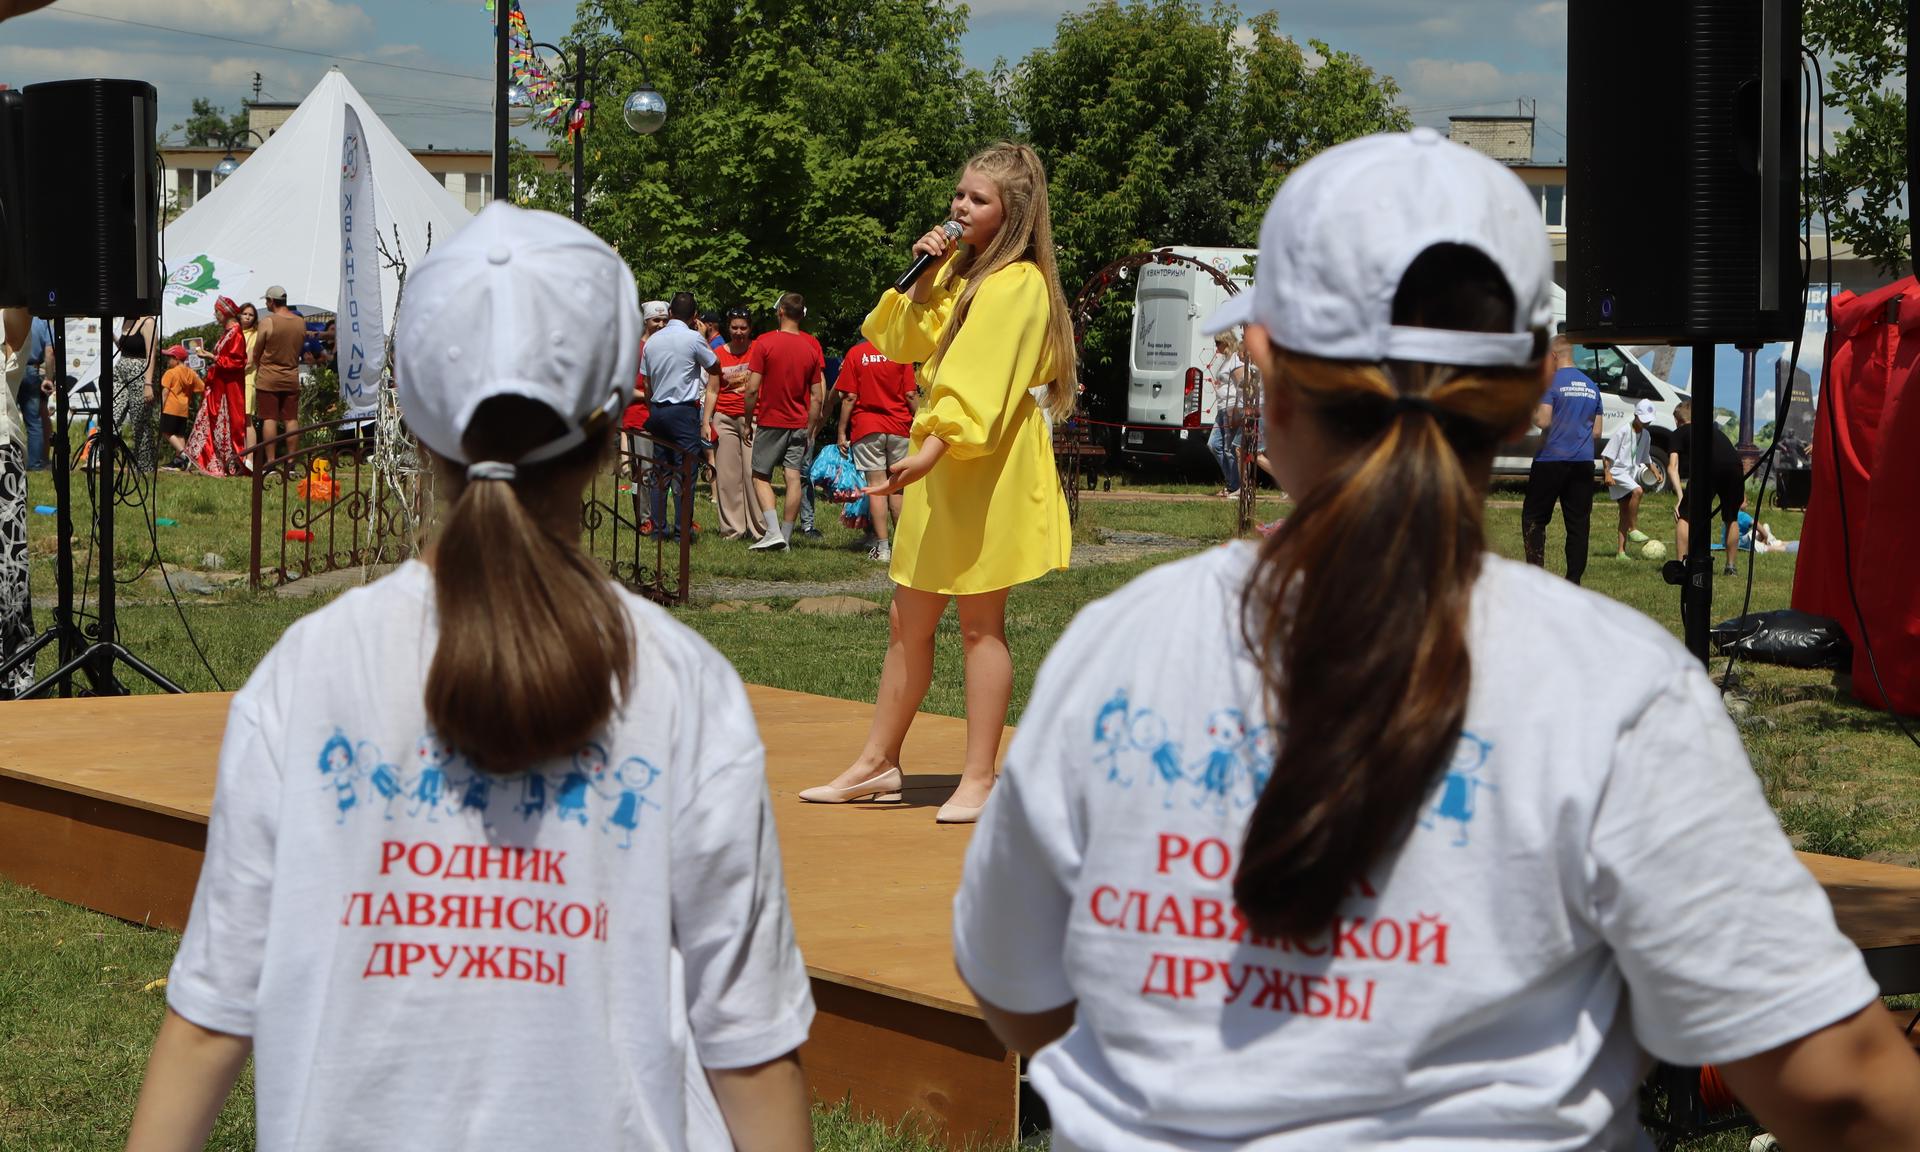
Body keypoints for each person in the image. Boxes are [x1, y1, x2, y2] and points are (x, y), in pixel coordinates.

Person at [949, 129, 1920, 1151]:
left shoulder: (1121, 644)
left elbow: (1017, 991)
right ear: (1533, 391)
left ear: (1266, 365)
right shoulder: (1613, 688)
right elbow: (1843, 1092)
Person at [123, 203, 815, 1152]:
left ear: (412, 422)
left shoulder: (310, 670)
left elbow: (210, 1017)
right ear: (609, 433)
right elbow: (752, 1050)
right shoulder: (684, 684)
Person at [799, 141, 1074, 823]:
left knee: (980, 624)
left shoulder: (1019, 283)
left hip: (985, 462)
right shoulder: (957, 272)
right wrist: (924, 274)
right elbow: (900, 339)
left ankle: (979, 776)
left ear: (1013, 212)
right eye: (959, 194)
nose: (960, 206)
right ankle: (878, 763)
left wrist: (930, 449)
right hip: (940, 458)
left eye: (978, 199)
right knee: (907, 618)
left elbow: (980, 380)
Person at [743, 294, 825, 551]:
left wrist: (747, 421)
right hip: (799, 422)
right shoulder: (811, 348)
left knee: (760, 475)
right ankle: (786, 538)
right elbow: (817, 396)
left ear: (780, 311)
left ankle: (773, 532)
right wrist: (810, 428)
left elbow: (752, 389)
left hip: (771, 420)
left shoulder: (764, 342)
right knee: (793, 477)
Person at [1520, 334, 1604, 584]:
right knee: (1578, 524)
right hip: (1583, 462)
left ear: (1553, 355)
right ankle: (1574, 580)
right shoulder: (1592, 386)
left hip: (1550, 460)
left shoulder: (1551, 383)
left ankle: (1535, 574)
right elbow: (1597, 432)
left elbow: (1543, 420)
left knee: (1534, 518)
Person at [641, 292, 718, 542]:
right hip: (683, 411)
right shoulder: (694, 339)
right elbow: (714, 366)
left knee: (660, 471)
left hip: (658, 410)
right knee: (686, 472)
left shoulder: (652, 341)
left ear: (671, 313)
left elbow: (647, 382)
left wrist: (652, 408)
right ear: (695, 316)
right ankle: (681, 531)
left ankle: (658, 529)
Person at [834, 337, 918, 563]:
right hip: (900, 427)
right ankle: (902, 548)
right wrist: (919, 420)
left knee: (876, 488)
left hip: (867, 427)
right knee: (897, 488)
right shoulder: (901, 350)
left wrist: (841, 431)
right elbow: (910, 394)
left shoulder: (856, 353)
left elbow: (849, 397)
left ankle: (882, 549)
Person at [1663, 399, 1747, 577]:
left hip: (1708, 466)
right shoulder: (1715, 431)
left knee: (1685, 516)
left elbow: (1672, 467)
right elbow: (1729, 457)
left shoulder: (1679, 432)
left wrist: (1680, 498)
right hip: (1734, 466)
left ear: (1678, 420)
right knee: (1731, 518)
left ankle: (1681, 566)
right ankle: (1730, 567)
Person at [703, 308, 761, 541]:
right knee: (728, 476)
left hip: (753, 417)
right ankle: (732, 529)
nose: (738, 332)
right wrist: (706, 420)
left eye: (743, 328)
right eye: (734, 327)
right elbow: (712, 389)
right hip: (725, 417)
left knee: (752, 473)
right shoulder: (718, 353)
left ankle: (759, 529)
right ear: (728, 328)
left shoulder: (758, 350)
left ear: (750, 329)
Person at [1, 307, 34, 698]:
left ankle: (11, 674)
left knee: (8, 575)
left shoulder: (8, 310)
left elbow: (16, 327)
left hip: (1, 449)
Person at [186, 297, 249, 477]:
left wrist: (212, 357)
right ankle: (211, 461)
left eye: (217, 312)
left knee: (227, 424)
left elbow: (237, 362)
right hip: (219, 385)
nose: (215, 315)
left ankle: (228, 463)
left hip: (229, 388)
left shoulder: (236, 334)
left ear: (225, 313)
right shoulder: (227, 333)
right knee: (212, 420)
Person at [250, 286, 306, 468]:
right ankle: (291, 461)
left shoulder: (268, 322)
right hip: (291, 376)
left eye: (267, 301)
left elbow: (257, 350)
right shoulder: (300, 322)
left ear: (272, 301)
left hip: (269, 377)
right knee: (291, 419)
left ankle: (271, 461)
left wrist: (259, 364)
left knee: (269, 418)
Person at [1602, 398, 1656, 560]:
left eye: (1648, 420)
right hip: (1618, 472)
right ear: (1635, 415)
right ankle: (1633, 529)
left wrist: (1654, 470)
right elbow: (1607, 455)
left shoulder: (1646, 435)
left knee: (1624, 512)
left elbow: (1646, 456)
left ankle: (1621, 552)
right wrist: (1607, 473)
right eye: (1643, 420)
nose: (1646, 423)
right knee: (1638, 491)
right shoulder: (1623, 431)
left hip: (1630, 474)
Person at [110, 314, 159, 472]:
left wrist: (148, 383)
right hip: (121, 370)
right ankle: (103, 458)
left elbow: (151, 355)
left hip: (140, 373)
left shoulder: (148, 322)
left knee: (139, 422)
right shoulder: (127, 319)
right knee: (112, 413)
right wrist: (112, 336)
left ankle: (145, 466)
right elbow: (125, 347)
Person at [1205, 331, 1247, 498]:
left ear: (1226, 342)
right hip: (1222, 408)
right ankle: (1232, 483)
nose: (1216, 346)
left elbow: (1240, 385)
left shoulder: (1236, 359)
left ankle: (1234, 486)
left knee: (1228, 449)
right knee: (1214, 445)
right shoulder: (1226, 360)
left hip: (1230, 408)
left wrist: (1235, 410)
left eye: (1218, 343)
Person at [156, 345, 204, 469]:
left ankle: (185, 456)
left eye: (169, 358)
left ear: (176, 359)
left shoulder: (170, 372)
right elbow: (202, 387)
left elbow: (165, 392)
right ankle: (179, 462)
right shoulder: (191, 373)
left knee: (166, 432)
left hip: (171, 407)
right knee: (179, 435)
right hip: (183, 409)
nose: (167, 361)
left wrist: (161, 409)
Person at [16, 314, 52, 472]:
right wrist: (49, 378)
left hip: (9, 368)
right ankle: (36, 463)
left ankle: (7, 459)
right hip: (31, 370)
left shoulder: (8, 315)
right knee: (34, 421)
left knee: (5, 417)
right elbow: (50, 352)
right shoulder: (42, 321)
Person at [238, 302, 260, 456]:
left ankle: (250, 457)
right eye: (245, 314)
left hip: (246, 381)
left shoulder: (254, 335)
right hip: (232, 382)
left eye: (251, 315)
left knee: (247, 420)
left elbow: (250, 362)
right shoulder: (234, 332)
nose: (247, 317)